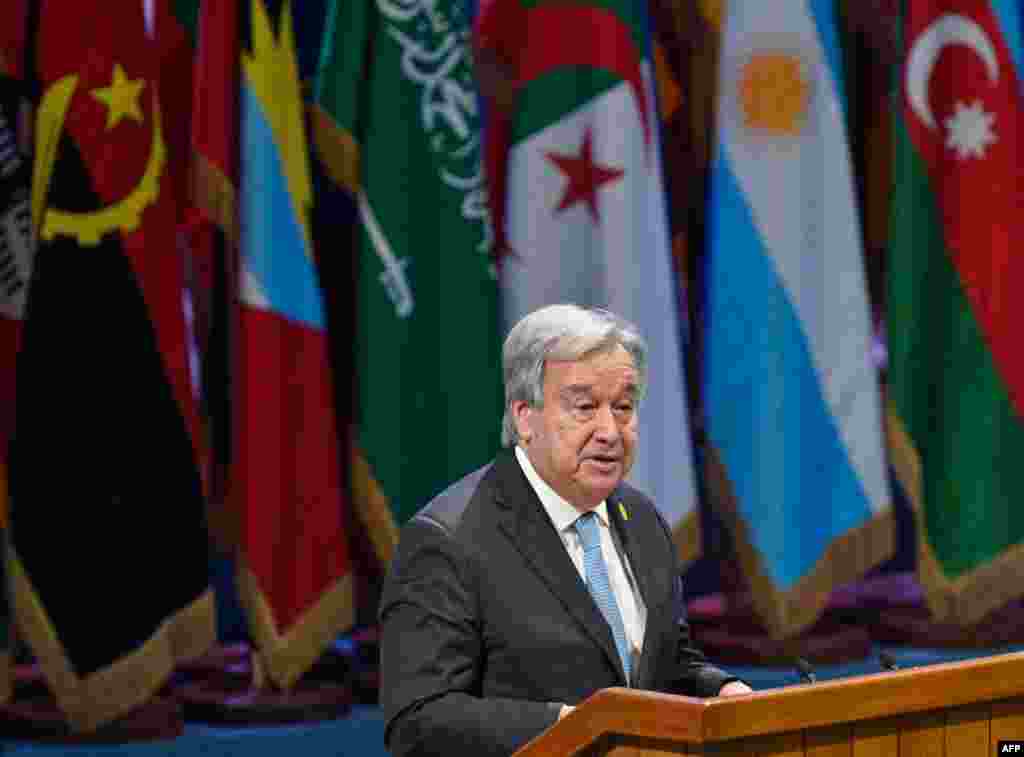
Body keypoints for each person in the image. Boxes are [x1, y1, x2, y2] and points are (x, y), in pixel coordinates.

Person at [380, 304, 752, 757]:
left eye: (623, 407)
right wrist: (573, 726)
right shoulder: (448, 540)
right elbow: (418, 720)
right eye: (585, 407)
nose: (610, 431)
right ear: (524, 416)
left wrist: (723, 690)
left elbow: (664, 664)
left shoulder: (642, 519)